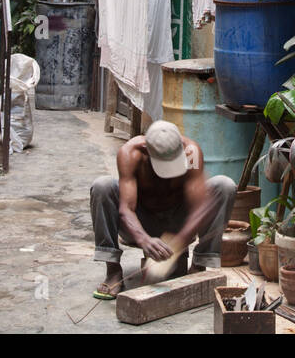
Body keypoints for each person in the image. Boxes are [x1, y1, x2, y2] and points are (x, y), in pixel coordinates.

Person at [89, 120, 237, 300]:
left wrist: (180, 241)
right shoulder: (131, 153)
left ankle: (199, 266)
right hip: (141, 222)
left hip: (178, 222)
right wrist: (143, 239)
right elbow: (126, 209)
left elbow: (200, 206)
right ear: (147, 149)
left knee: (224, 185)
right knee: (102, 186)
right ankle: (113, 270)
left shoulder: (191, 152)